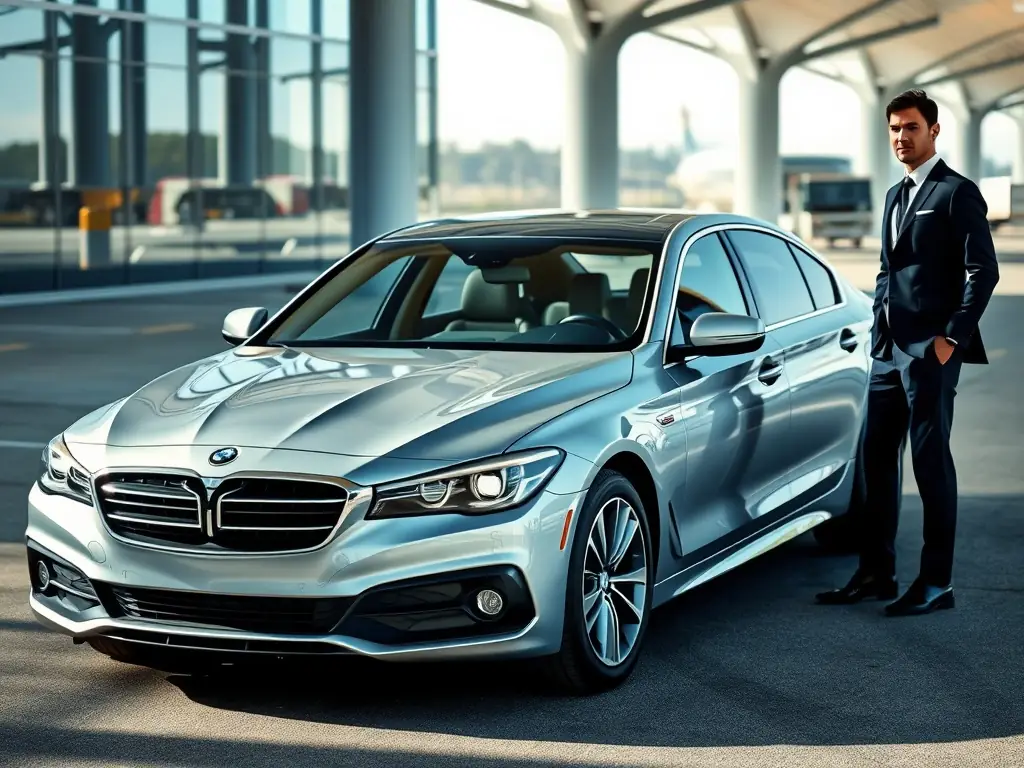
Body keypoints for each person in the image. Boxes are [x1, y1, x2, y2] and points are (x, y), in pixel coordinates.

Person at [815, 88, 999, 616]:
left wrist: (950, 340)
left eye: (911, 127)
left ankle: (937, 582)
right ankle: (876, 571)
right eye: (894, 128)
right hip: (887, 353)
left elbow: (983, 271)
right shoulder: (896, 196)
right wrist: (878, 332)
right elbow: (886, 272)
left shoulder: (956, 193)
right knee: (876, 460)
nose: (901, 137)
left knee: (930, 463)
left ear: (934, 131)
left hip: (930, 353)